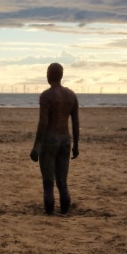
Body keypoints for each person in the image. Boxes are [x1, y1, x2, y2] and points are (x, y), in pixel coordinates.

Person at [30, 63, 79, 215]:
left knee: (48, 181)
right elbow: (76, 122)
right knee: (62, 181)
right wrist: (76, 145)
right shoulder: (71, 95)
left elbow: (43, 122)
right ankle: (64, 210)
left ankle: (49, 211)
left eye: (47, 72)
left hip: (50, 139)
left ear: (50, 75)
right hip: (65, 139)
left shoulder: (46, 96)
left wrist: (36, 146)